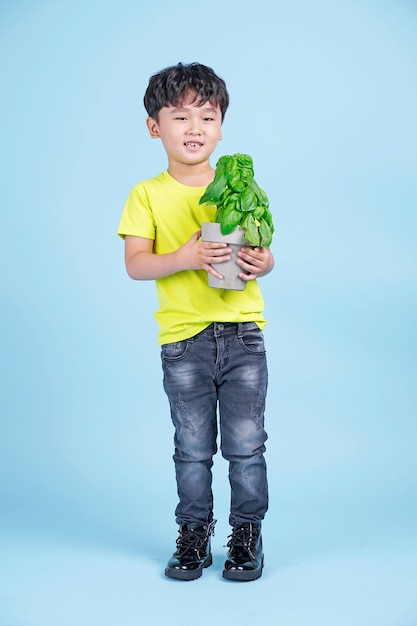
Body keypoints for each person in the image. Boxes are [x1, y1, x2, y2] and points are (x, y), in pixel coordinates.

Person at [117, 62, 274, 581]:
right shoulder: (147, 194)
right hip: (183, 341)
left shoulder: (238, 186)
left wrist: (263, 261)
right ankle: (194, 533)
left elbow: (264, 250)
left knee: (247, 445)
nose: (194, 128)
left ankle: (247, 535)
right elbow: (136, 264)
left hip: (243, 334)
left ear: (222, 125)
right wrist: (184, 257)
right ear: (154, 127)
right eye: (179, 116)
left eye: (206, 117)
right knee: (191, 448)